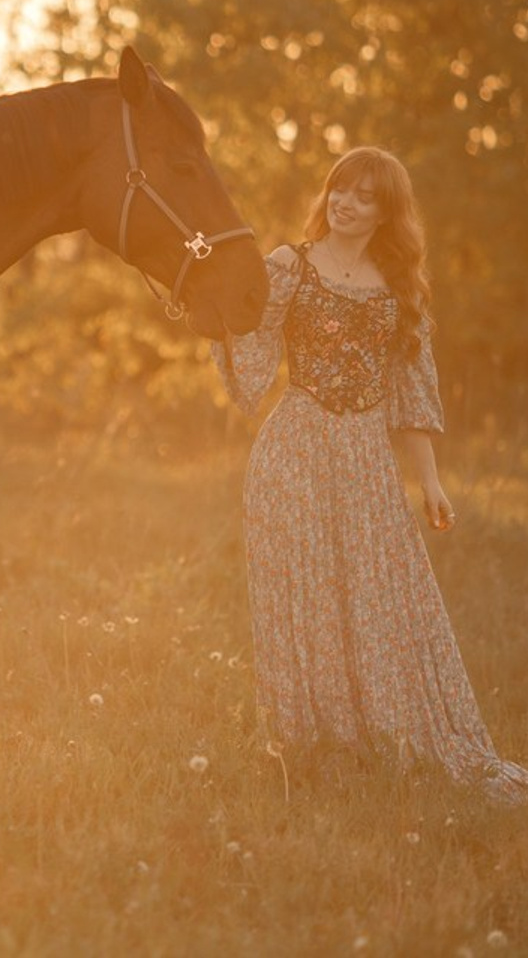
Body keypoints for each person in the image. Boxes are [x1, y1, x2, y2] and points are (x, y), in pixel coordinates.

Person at [214, 145, 527, 805]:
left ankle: (391, 738)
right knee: (305, 598)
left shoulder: (398, 285)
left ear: (387, 211)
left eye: (365, 196)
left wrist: (430, 481)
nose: (347, 203)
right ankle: (313, 745)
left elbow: (411, 388)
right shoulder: (290, 266)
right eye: (340, 189)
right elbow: (246, 336)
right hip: (294, 451)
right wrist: (206, 302)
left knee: (383, 594)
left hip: (362, 458)